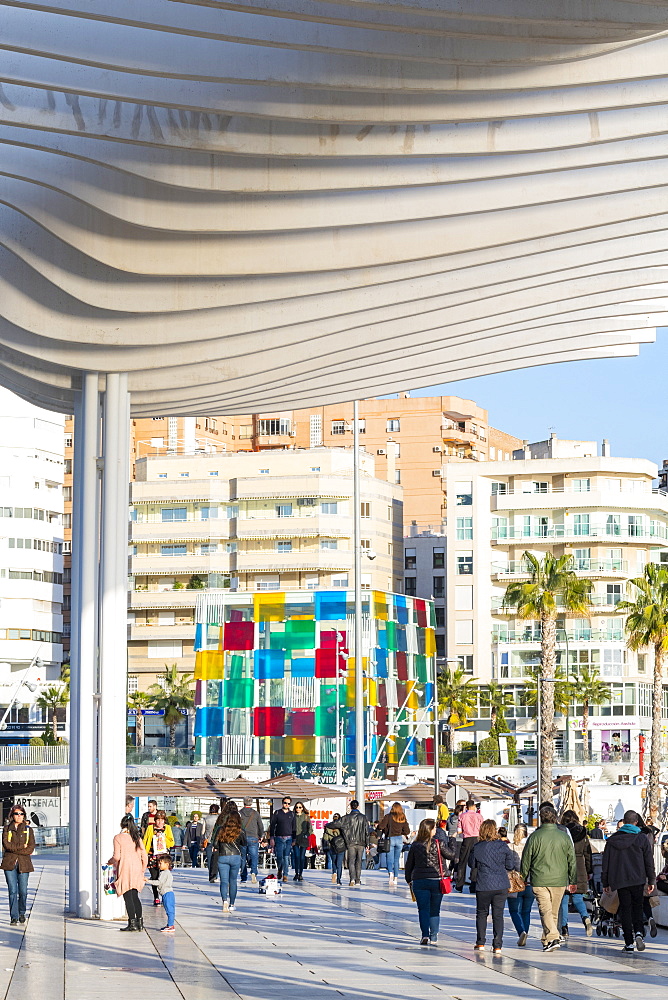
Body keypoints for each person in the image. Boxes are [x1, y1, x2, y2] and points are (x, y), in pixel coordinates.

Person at [520, 804, 576, 952]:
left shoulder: (535, 836)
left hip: (540, 879)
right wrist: (572, 879)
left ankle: (551, 938)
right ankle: (550, 939)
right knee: (553, 912)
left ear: (541, 819)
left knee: (545, 910)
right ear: (555, 818)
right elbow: (572, 860)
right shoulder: (564, 837)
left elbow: (526, 859)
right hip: (559, 880)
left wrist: (523, 876)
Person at [601, 808, 655, 952]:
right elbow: (649, 862)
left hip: (620, 880)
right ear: (636, 822)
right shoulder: (642, 838)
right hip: (638, 879)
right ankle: (638, 932)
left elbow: (605, 862)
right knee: (638, 907)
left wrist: (605, 882)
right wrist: (651, 881)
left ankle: (629, 943)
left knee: (625, 909)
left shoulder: (612, 840)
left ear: (624, 822)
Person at [469, 819, 518, 953]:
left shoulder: (477, 847)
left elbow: (471, 864)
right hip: (501, 884)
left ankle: (480, 943)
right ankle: (497, 945)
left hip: (483, 884)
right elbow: (510, 866)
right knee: (498, 915)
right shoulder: (503, 846)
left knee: (482, 913)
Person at [405, 818, 455, 945]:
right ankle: (434, 937)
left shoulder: (415, 845)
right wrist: (453, 840)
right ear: (430, 830)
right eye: (434, 828)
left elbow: (409, 864)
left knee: (423, 909)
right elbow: (451, 855)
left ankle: (424, 935)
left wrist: (408, 879)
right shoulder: (439, 843)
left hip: (419, 881)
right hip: (436, 880)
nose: (436, 830)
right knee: (434, 909)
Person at [108, 814, 148, 932]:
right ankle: (140, 922)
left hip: (125, 869)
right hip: (136, 869)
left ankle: (132, 923)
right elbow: (144, 856)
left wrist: (109, 862)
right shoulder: (137, 838)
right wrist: (142, 870)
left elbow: (117, 856)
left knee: (127, 896)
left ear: (122, 825)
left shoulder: (118, 838)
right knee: (135, 896)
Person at [558, 810, 593, 939]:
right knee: (578, 898)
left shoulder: (562, 831)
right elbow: (588, 854)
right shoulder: (583, 832)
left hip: (565, 866)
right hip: (580, 867)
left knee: (564, 899)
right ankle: (585, 918)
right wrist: (589, 870)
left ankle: (564, 928)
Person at [2, 804, 35, 925]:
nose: (19, 816)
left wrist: (16, 849)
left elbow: (30, 848)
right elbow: (7, 846)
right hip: (9, 863)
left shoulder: (28, 830)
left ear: (24, 816)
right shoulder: (7, 829)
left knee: (23, 891)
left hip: (24, 863)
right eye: (16, 813)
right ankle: (14, 916)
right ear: (12, 815)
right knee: (12, 891)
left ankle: (22, 912)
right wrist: (22, 846)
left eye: (21, 814)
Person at [214, 802, 246, 913]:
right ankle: (232, 904)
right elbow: (244, 843)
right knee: (233, 881)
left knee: (224, 881)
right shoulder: (240, 831)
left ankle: (224, 901)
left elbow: (215, 844)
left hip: (223, 856)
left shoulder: (220, 830)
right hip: (236, 857)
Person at [507, 823, 534, 947]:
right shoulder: (530, 847)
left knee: (514, 910)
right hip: (529, 882)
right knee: (526, 911)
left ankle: (521, 931)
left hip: (514, 884)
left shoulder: (509, 847)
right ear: (526, 833)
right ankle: (526, 933)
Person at [143, 810, 175, 905]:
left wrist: (163, 837)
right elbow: (145, 841)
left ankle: (163, 894)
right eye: (158, 820)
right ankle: (156, 897)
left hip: (163, 857)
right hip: (152, 856)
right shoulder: (150, 828)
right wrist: (143, 855)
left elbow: (171, 842)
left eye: (162, 820)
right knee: (154, 876)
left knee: (163, 876)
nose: (160, 822)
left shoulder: (167, 828)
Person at [338, 799, 369, 887]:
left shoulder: (347, 817)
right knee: (358, 861)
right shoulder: (363, 817)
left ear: (351, 807)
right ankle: (358, 880)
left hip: (350, 842)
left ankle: (352, 879)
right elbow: (366, 831)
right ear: (358, 806)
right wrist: (367, 843)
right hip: (361, 842)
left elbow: (339, 825)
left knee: (351, 861)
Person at [378, 802, 411, 887]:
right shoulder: (402, 817)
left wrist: (385, 829)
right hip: (399, 839)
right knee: (396, 860)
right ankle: (396, 878)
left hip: (390, 839)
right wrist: (400, 832)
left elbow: (381, 826)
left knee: (389, 859)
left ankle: (390, 874)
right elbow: (407, 831)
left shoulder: (388, 817)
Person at [456, 800, 484, 892]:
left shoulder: (462, 816)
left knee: (462, 862)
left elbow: (459, 830)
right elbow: (482, 829)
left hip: (466, 839)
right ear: (474, 806)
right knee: (475, 862)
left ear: (466, 807)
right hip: (477, 839)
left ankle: (459, 885)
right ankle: (473, 885)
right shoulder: (479, 816)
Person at [146, 855, 176, 932]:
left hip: (167, 894)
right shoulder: (166, 873)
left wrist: (148, 881)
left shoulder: (164, 873)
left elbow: (159, 882)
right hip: (168, 893)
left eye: (161, 863)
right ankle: (170, 924)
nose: (159, 865)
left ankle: (170, 925)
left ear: (167, 864)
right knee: (169, 910)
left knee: (169, 910)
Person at [269, 796, 296, 883]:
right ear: (282, 803)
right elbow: (272, 826)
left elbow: (294, 828)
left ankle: (285, 874)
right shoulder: (277, 813)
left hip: (289, 838)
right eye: (285, 803)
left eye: (288, 803)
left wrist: (294, 839)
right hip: (279, 838)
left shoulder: (292, 814)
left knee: (286, 857)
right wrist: (271, 838)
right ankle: (280, 870)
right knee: (279, 857)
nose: (286, 805)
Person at [239, 797, 264, 885]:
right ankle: (253, 872)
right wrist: (261, 836)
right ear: (252, 803)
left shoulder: (240, 813)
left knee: (242, 857)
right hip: (253, 837)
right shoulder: (255, 813)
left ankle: (243, 877)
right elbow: (260, 826)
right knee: (254, 856)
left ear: (243, 803)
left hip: (242, 837)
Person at [323, 813, 346, 886]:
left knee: (333, 862)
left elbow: (325, 838)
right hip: (341, 846)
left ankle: (334, 873)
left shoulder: (328, 827)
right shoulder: (342, 827)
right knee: (339, 863)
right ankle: (339, 880)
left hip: (332, 846)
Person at [293, 802, 312, 882]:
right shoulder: (293, 816)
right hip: (295, 839)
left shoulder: (306, 817)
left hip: (303, 839)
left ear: (302, 808)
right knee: (296, 857)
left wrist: (306, 835)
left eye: (300, 807)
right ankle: (296, 873)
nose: (298, 809)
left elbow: (310, 829)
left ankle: (300, 873)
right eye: (297, 807)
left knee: (302, 857)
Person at [202, 804, 220, 877]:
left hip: (209, 841)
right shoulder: (220, 818)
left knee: (209, 859)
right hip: (218, 841)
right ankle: (216, 874)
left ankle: (211, 875)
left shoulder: (206, 818)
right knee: (217, 859)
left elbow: (202, 831)